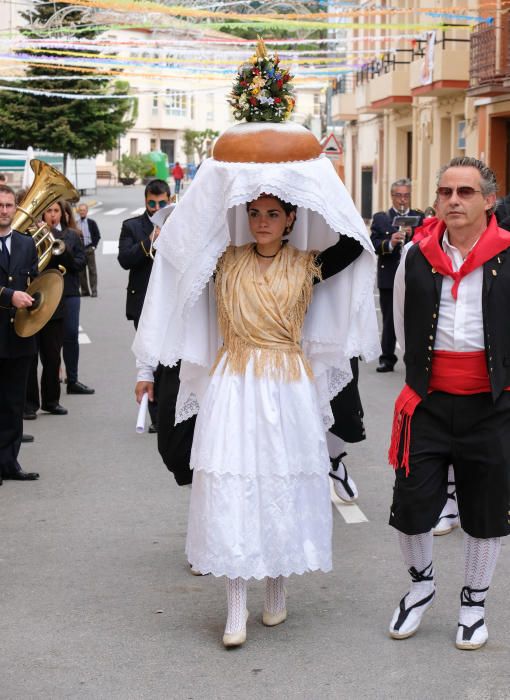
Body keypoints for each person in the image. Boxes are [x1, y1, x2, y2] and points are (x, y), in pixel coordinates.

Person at [134, 173, 378, 648]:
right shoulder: (224, 261)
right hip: (235, 381)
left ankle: (277, 593)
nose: (262, 221)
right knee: (233, 485)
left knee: (281, 484)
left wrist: (306, 171)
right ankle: (235, 608)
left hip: (287, 385)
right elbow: (184, 239)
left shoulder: (309, 265)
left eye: (273, 213)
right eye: (254, 212)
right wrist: (229, 174)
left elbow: (353, 239)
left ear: (290, 219)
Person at [388, 156, 510, 651]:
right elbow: (400, 324)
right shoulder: (415, 256)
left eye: (465, 191)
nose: (454, 200)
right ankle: (421, 587)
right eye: (445, 192)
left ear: (489, 200)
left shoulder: (508, 254)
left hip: (493, 403)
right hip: (428, 402)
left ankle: (474, 603)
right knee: (412, 506)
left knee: (487, 510)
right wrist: (419, 376)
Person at [25, 200, 93, 416]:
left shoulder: (71, 236)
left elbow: (78, 265)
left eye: (56, 211)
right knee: (31, 355)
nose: (52, 215)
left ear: (63, 214)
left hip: (57, 300)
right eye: (48, 211)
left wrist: (56, 244)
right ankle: (29, 404)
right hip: (34, 299)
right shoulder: (29, 236)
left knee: (53, 355)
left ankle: (51, 400)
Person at [118, 179, 170, 432]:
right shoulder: (132, 226)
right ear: (145, 200)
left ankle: (167, 409)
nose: (156, 207)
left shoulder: (178, 223)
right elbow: (124, 260)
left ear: (170, 200)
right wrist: (149, 241)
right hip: (142, 301)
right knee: (149, 357)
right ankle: (156, 417)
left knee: (168, 358)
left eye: (162, 203)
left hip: (170, 301)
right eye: (152, 202)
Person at [0, 184, 40, 482]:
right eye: (0, 206)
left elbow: (35, 282)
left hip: (20, 334)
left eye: (9, 206)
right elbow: (12, 290)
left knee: (14, 402)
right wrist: (8, 295)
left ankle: (9, 462)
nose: (4, 211)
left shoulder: (26, 243)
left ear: (16, 208)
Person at [371, 179, 423, 372]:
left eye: (406, 195)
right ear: (392, 196)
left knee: (417, 320)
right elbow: (374, 245)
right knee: (390, 320)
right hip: (390, 277)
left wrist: (413, 236)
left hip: (415, 277)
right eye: (399, 195)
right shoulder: (381, 218)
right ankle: (387, 358)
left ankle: (416, 360)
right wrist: (391, 242)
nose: (403, 200)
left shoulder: (419, 217)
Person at [76, 203, 101, 297]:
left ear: (87, 211)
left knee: (92, 271)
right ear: (78, 212)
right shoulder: (76, 223)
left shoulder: (91, 222)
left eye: (84, 210)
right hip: (80, 250)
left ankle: (94, 290)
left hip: (90, 248)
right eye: (80, 210)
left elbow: (97, 235)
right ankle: (85, 291)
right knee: (81, 272)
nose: (82, 212)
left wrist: (94, 246)